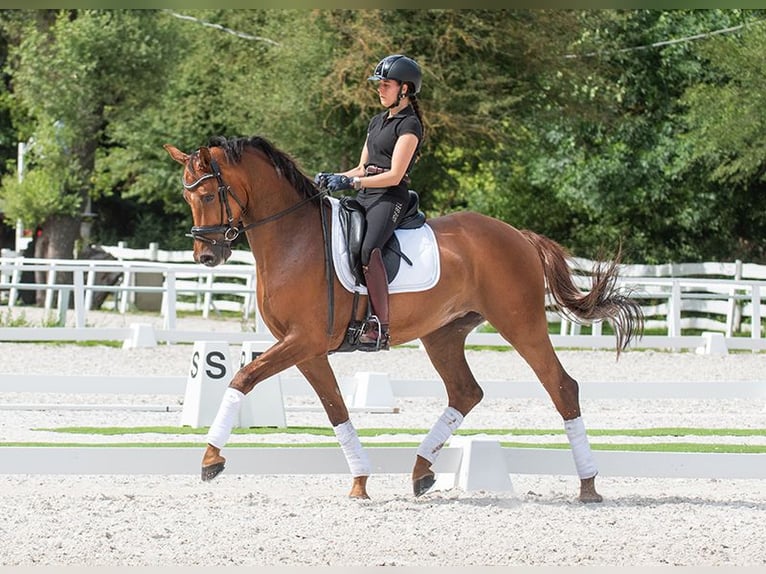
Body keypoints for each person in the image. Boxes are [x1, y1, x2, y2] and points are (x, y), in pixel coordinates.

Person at [316, 54, 424, 352]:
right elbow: (362, 167)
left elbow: (393, 175)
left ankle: (379, 325)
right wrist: (334, 177)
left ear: (404, 89)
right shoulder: (377, 121)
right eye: (379, 84)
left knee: (368, 248)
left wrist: (352, 183)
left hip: (391, 197)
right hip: (365, 194)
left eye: (385, 84)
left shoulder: (409, 126)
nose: (379, 89)